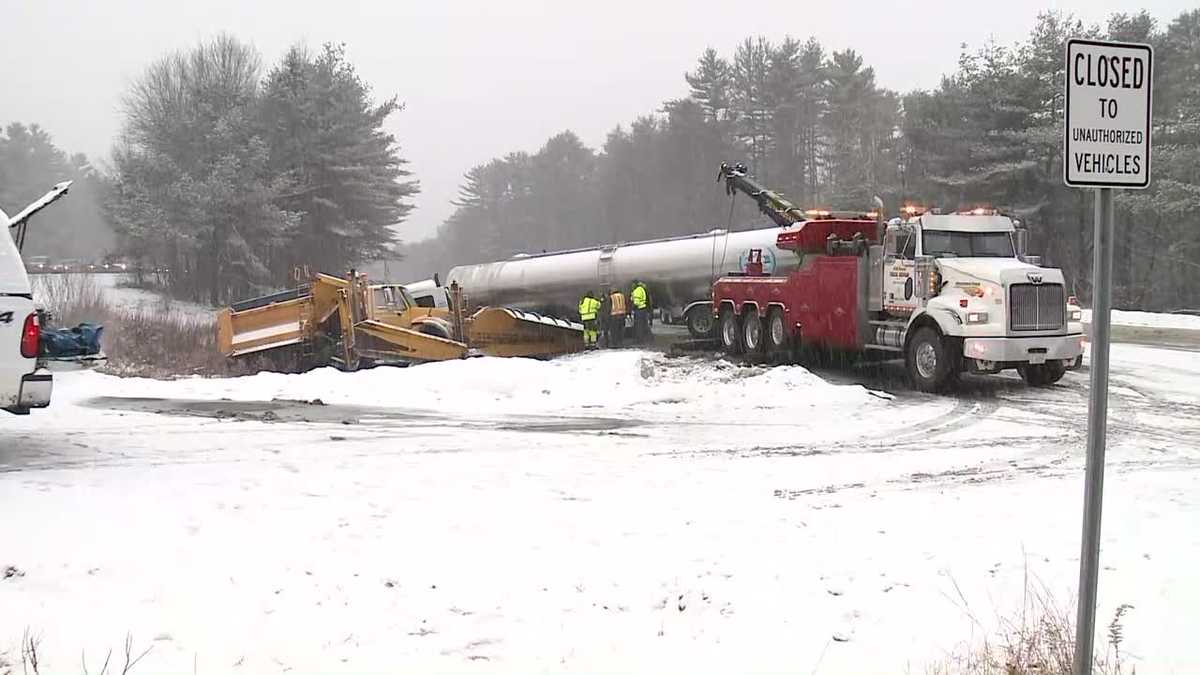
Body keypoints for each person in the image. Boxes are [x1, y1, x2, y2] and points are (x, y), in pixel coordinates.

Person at [630, 280, 650, 344]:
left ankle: (639, 340)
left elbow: (636, 302)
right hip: (643, 309)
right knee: (644, 325)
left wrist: (632, 307)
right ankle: (646, 339)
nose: (632, 286)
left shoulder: (637, 291)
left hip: (639, 310)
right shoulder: (641, 289)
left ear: (634, 284)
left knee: (639, 326)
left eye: (632, 284)